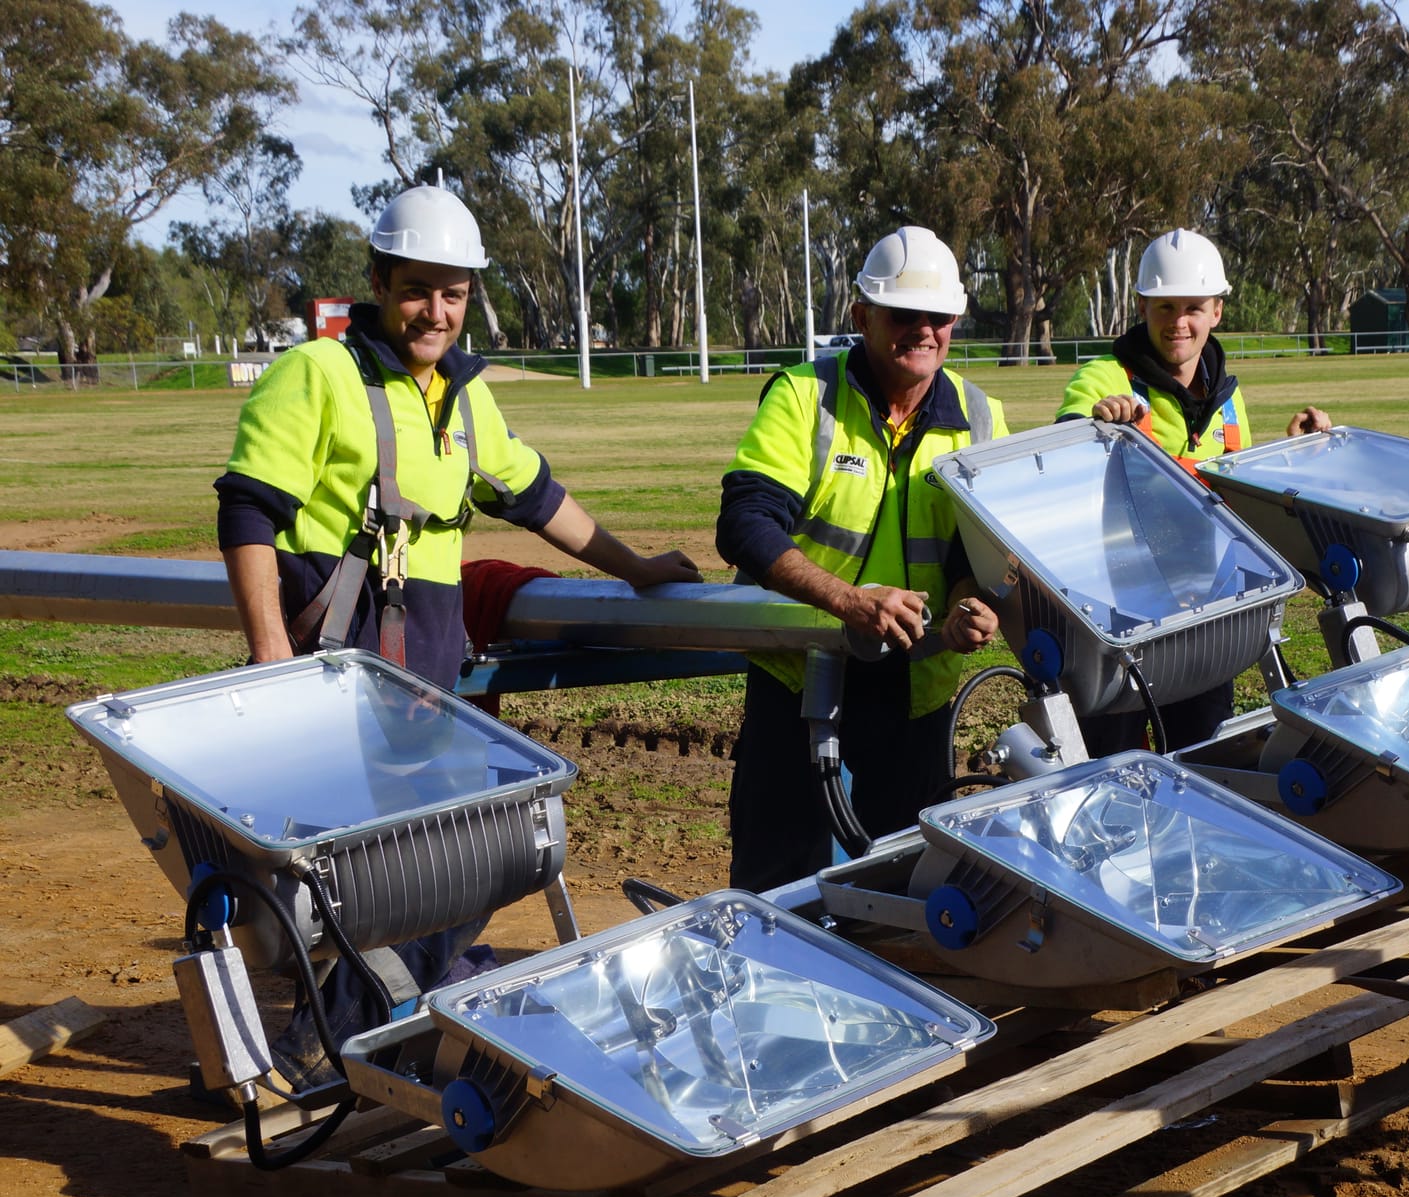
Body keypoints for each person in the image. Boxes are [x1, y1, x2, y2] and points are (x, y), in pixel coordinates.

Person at [215, 184, 699, 1085]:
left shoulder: (465, 401)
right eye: (417, 289)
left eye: (454, 293)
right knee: (381, 878)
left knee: (459, 867)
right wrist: (270, 654)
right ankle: (325, 1043)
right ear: (377, 280)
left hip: (423, 689)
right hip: (332, 683)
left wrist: (634, 568)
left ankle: (359, 1024)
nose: (435, 311)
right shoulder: (317, 376)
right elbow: (247, 510)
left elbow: (539, 499)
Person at [716, 225, 1007, 892]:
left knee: (907, 886)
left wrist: (969, 604)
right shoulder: (803, 396)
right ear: (862, 317)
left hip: (916, 695)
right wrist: (849, 602)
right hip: (800, 682)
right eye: (904, 314)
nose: (924, 330)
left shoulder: (981, 417)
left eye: (938, 317)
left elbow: (977, 552)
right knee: (780, 883)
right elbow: (745, 524)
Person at [1057, 227, 1332, 755]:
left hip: (1207, 614)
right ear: (1142, 306)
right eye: (1164, 307)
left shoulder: (1229, 398)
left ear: (1216, 312)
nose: (1178, 323)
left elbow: (1233, 497)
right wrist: (1096, 422)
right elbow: (1069, 440)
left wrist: (1288, 453)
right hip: (1121, 624)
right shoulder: (1104, 377)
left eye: (1192, 307)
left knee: (1202, 756)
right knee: (1114, 763)